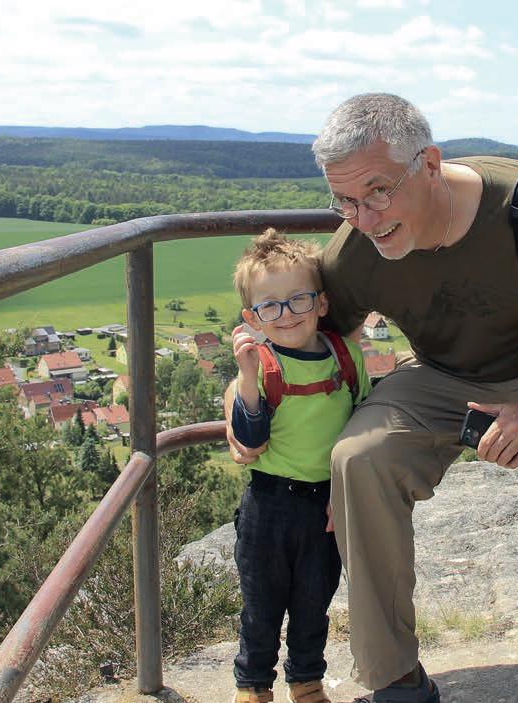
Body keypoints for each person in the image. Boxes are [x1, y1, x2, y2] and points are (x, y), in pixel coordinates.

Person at [226, 94, 518, 703]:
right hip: (443, 376)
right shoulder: (357, 248)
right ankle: (393, 678)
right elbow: (305, 337)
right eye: (344, 200)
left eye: (378, 192)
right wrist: (244, 392)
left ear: (429, 164)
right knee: (359, 457)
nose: (364, 218)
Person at [227, 229, 370, 703]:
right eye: (270, 306)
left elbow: (364, 419)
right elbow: (250, 439)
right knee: (260, 607)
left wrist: (345, 490)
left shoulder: (345, 357)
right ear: (252, 318)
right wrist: (247, 377)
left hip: (324, 506)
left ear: (322, 303)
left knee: (314, 603)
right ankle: (253, 685)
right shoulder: (264, 365)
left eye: (299, 299)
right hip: (268, 504)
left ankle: (306, 681)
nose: (286, 314)